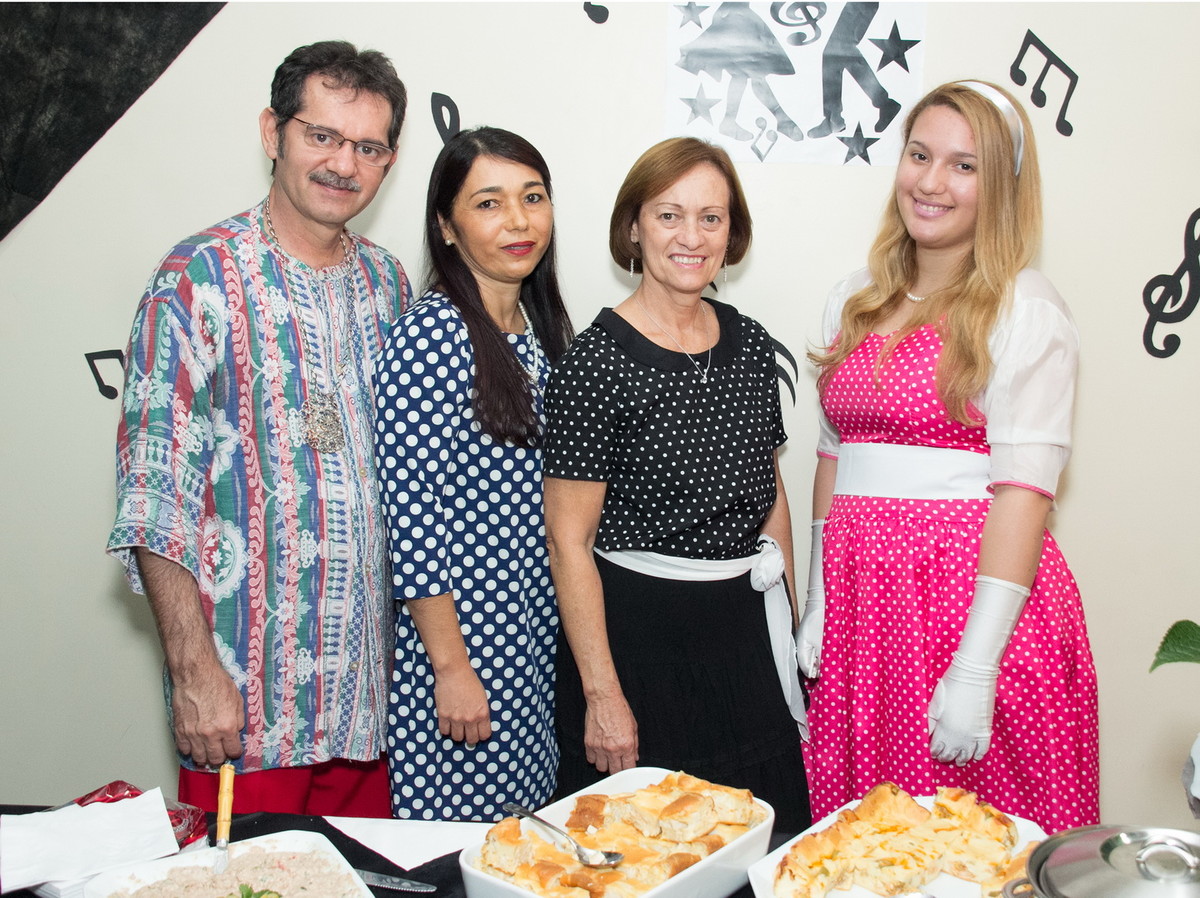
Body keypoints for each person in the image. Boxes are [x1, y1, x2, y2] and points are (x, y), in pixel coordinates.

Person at [107, 40, 411, 817]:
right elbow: (154, 495)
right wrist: (193, 671)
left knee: (367, 876)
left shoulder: (387, 282)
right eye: (322, 136)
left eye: (368, 147)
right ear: (273, 132)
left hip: (368, 708)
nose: (343, 164)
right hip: (245, 711)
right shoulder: (196, 277)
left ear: (389, 160)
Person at [800, 80, 1099, 834]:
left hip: (965, 606)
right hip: (867, 611)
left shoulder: (1025, 309)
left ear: (1001, 188)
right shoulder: (854, 297)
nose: (931, 182)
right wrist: (819, 595)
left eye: (964, 166)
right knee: (871, 845)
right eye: (920, 155)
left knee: (979, 844)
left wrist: (976, 666)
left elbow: (1024, 494)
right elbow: (834, 456)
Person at [544, 137, 811, 832]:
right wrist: (603, 696)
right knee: (644, 851)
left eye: (710, 218)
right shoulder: (593, 364)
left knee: (764, 838)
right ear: (633, 227)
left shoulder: (751, 345)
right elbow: (568, 544)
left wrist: (794, 626)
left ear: (731, 232)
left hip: (744, 640)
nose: (691, 237)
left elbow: (770, 497)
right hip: (640, 649)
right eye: (669, 215)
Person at [373, 127, 574, 820]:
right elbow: (412, 514)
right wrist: (451, 669)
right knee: (458, 853)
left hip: (528, 644)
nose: (519, 221)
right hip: (465, 652)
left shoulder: (537, 331)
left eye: (533, 197)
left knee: (525, 848)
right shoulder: (434, 334)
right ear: (447, 227)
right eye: (489, 203)